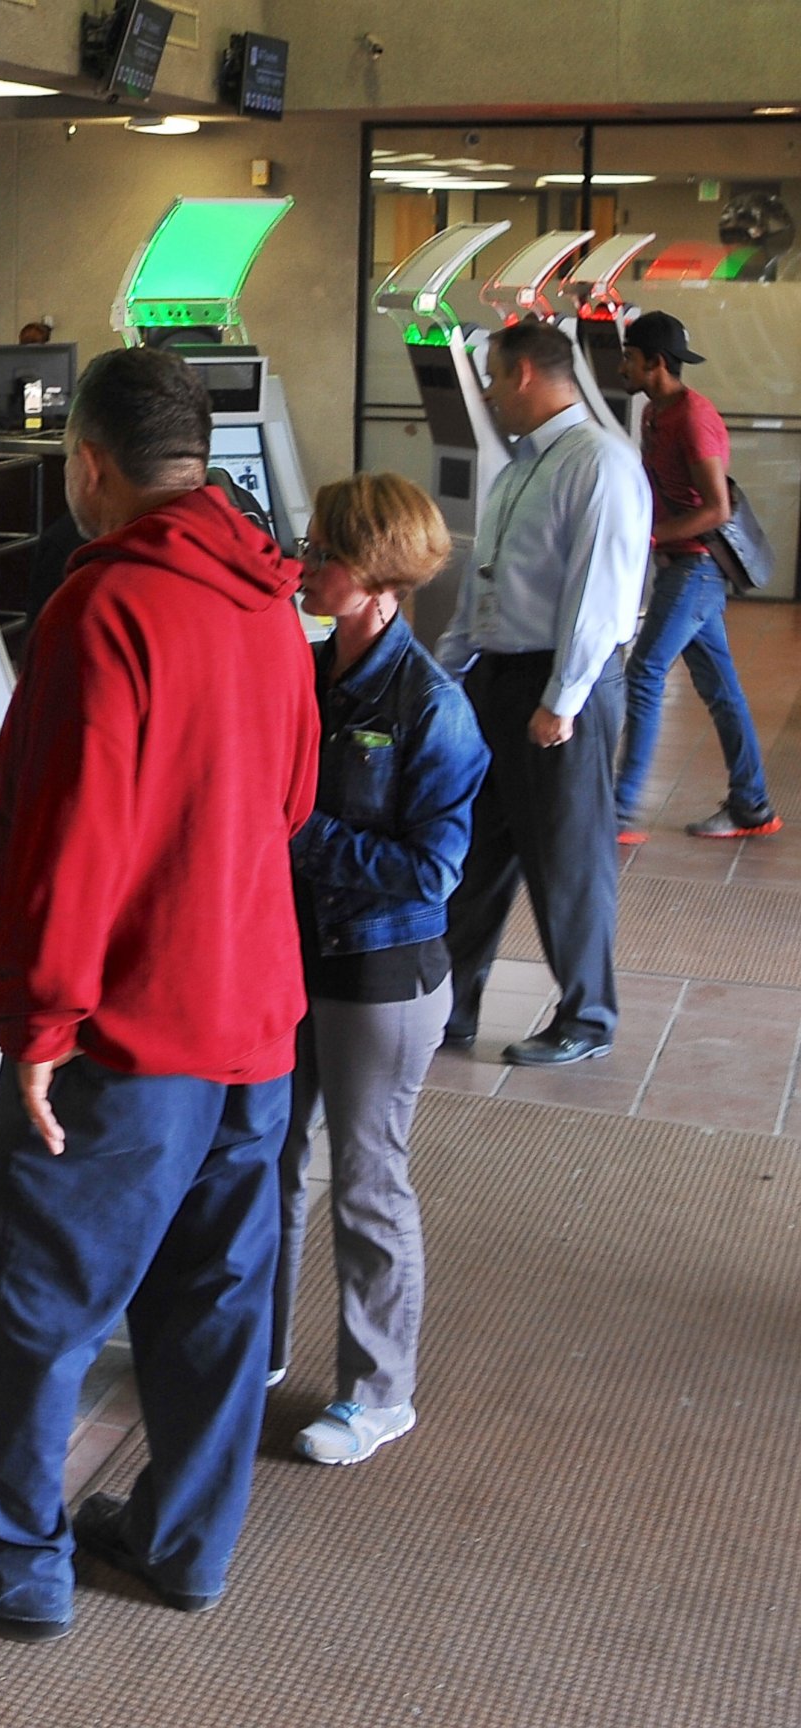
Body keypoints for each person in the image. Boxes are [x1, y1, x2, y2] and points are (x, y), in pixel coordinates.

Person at [0, 347, 316, 1641]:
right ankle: (186, 1543)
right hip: (255, 1021)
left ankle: (8, 1563)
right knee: (216, 1301)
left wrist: (42, 1024)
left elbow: (72, 836)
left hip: (131, 1035)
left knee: (36, 1296)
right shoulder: (267, 598)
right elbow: (290, 803)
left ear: (89, 463)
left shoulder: (106, 608)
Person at [270, 473, 486, 1467]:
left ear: (380, 576)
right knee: (271, 1161)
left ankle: (378, 1391)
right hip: (293, 958)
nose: (305, 564)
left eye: (326, 553)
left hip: (382, 975)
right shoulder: (307, 673)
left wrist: (302, 838)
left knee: (365, 1178)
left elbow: (431, 872)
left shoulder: (431, 708)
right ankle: (256, 1353)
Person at [436, 318, 652, 1067]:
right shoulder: (523, 466)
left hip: (563, 686)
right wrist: (447, 671)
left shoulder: (599, 464)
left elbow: (600, 593)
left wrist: (560, 700)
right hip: (499, 681)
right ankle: (449, 1006)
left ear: (524, 373)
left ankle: (586, 1018)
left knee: (567, 858)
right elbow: (485, 581)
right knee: (476, 854)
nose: (490, 395)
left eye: (493, 377)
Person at [612, 310, 777, 842]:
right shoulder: (653, 413)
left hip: (697, 567)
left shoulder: (693, 416)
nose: (623, 366)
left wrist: (653, 537)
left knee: (643, 673)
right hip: (678, 565)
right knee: (721, 689)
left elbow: (717, 509)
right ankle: (751, 805)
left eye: (629, 358)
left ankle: (619, 812)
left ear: (655, 363)